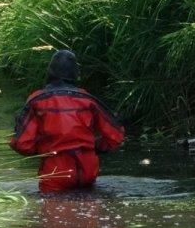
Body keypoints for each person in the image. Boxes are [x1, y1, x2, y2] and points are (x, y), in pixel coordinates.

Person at [10, 50, 125, 193]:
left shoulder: (37, 100)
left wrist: (45, 149)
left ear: (50, 72)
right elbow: (116, 137)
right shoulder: (88, 99)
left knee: (53, 211)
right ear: (76, 73)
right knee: (89, 211)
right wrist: (91, 147)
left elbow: (22, 144)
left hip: (55, 171)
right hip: (87, 169)